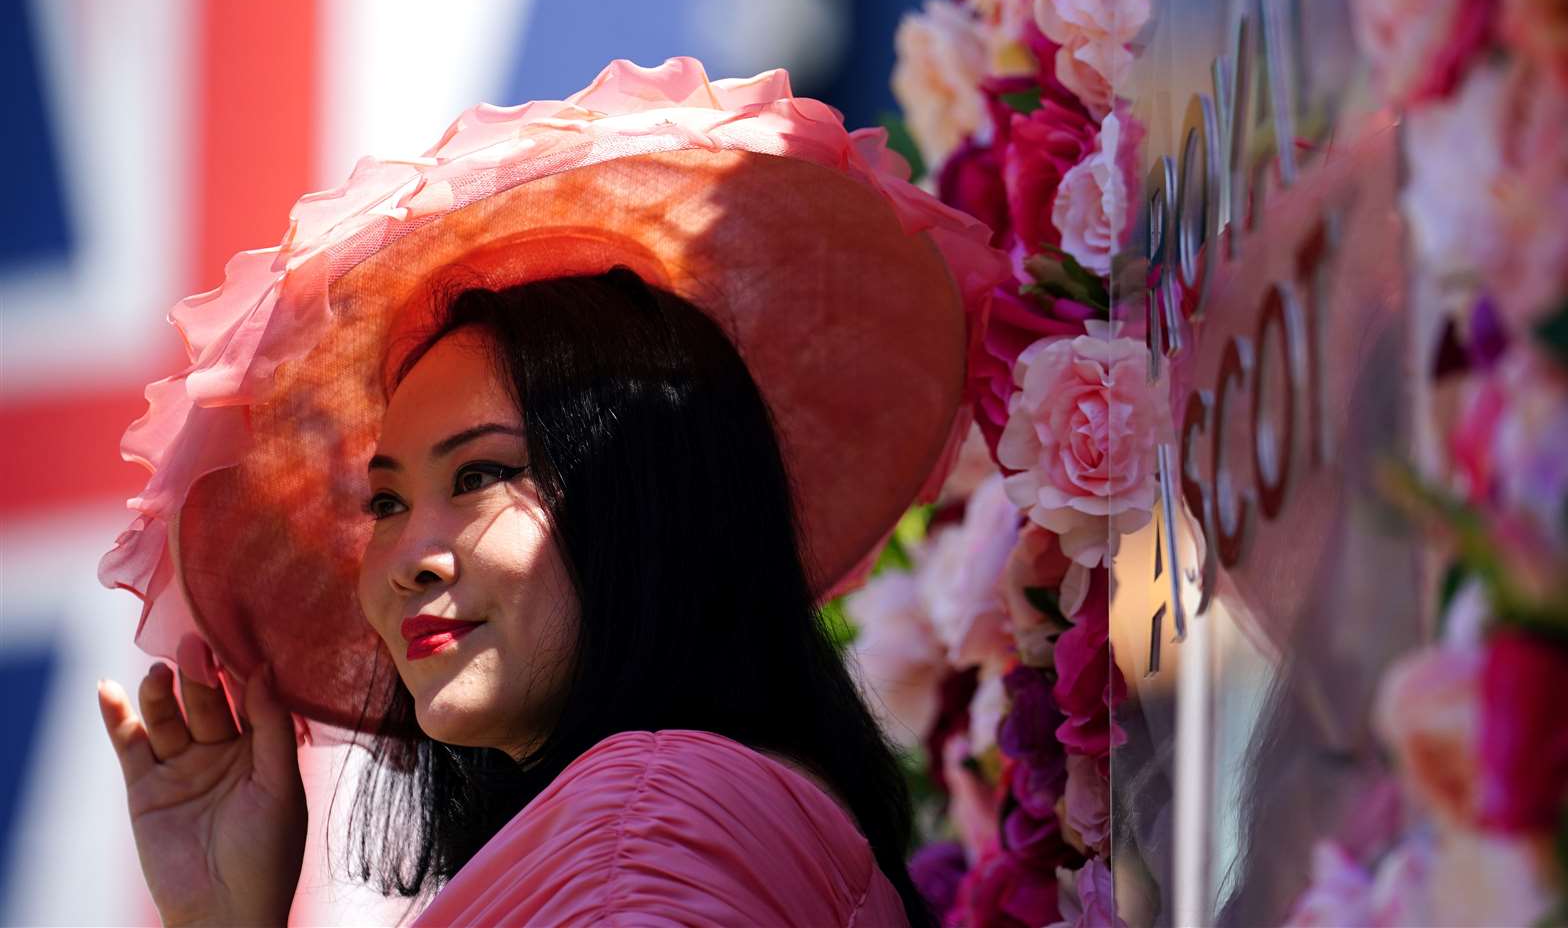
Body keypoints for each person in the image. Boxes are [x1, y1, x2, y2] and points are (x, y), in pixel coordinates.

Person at [93, 58, 1007, 927]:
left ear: (646, 504)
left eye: (481, 475)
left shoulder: (644, 822)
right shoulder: (663, 817)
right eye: (385, 503)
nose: (408, 559)